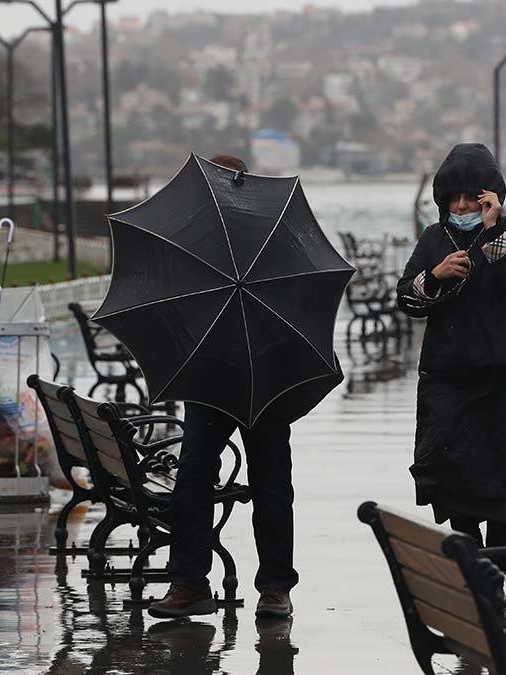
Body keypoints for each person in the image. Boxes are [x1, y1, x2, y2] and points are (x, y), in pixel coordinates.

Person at [149, 154, 344, 620]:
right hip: (210, 377)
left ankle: (274, 587)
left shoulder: (269, 236)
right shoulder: (191, 239)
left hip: (266, 373)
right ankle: (190, 583)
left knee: (269, 483)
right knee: (196, 475)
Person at [396, 143, 506, 559]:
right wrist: (436, 275)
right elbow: (407, 299)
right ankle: (474, 575)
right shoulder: (434, 238)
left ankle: (494, 581)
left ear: (491, 196)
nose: (464, 205)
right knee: (453, 483)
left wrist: (491, 233)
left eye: (473, 196)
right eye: (456, 198)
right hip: (450, 381)